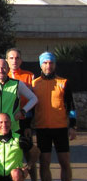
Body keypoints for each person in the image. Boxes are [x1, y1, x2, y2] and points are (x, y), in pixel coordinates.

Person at [32, 52, 76, 181]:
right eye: (45, 63)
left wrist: (72, 126)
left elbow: (71, 106)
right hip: (42, 129)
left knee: (65, 162)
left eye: (51, 63)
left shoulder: (63, 82)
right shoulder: (34, 84)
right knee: (44, 163)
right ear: (41, 65)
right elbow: (29, 106)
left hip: (60, 128)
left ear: (55, 64)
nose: (48, 66)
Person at [6, 48, 40, 181]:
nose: (14, 60)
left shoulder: (29, 76)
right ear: (6, 60)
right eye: (11, 58)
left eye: (17, 58)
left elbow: (34, 100)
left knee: (29, 154)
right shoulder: (2, 74)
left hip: (24, 121)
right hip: (8, 123)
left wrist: (28, 123)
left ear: (21, 60)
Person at [0, 59, 37, 135]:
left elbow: (34, 99)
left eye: (3, 68)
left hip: (12, 127)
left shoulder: (17, 84)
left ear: (8, 70)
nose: (0, 70)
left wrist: (23, 111)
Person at [0, 113, 33, 181]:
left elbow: (36, 151)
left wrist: (28, 166)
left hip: (13, 176)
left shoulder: (18, 138)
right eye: (1, 122)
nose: (4, 125)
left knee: (16, 173)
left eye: (6, 122)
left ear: (10, 123)